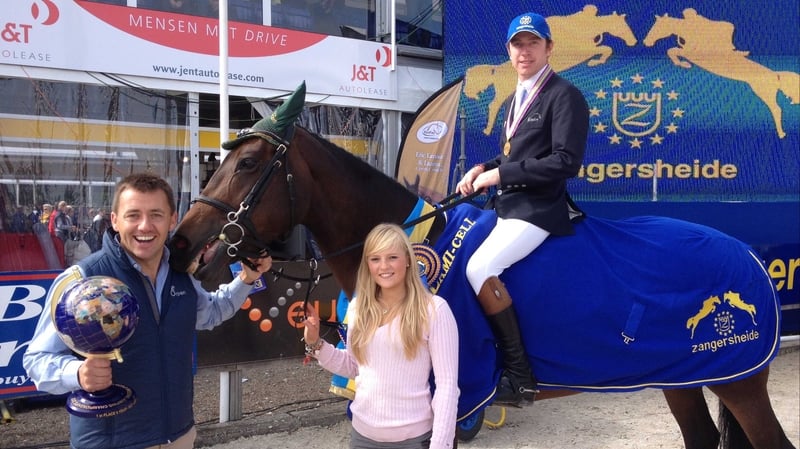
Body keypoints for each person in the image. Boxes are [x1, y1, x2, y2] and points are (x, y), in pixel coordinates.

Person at [24, 172, 273, 449]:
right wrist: (77, 373)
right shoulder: (83, 279)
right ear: (115, 220)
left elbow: (211, 313)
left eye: (156, 215)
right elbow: (37, 360)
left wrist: (246, 279)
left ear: (172, 219)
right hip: (111, 443)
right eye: (133, 215)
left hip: (179, 436)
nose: (145, 226)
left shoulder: (181, 272)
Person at [455, 12, 589, 407]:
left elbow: (565, 161)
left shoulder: (564, 95)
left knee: (479, 268)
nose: (525, 51)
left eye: (533, 43)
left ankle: (521, 375)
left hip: (539, 208)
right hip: (508, 203)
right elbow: (514, 155)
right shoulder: (517, 97)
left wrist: (498, 175)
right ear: (508, 50)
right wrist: (483, 168)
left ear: (549, 48)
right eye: (518, 44)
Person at [303, 223, 459, 449]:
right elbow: (356, 367)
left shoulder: (434, 309)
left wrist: (440, 445)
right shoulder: (358, 307)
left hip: (414, 441)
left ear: (408, 260)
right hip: (362, 438)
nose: (384, 266)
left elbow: (447, 386)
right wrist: (316, 343)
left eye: (392, 257)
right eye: (375, 259)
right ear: (368, 264)